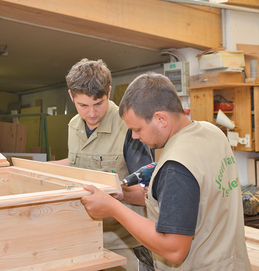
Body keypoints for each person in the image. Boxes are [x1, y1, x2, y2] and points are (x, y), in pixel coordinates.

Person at [81, 72, 252, 271]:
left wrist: (113, 209)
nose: (134, 137)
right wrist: (124, 195)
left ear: (161, 118)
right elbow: (192, 201)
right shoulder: (211, 132)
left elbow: (174, 249)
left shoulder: (176, 167)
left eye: (137, 129)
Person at [53, 59, 154, 271]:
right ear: (71, 96)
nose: (91, 113)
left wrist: (117, 193)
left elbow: (150, 193)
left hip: (124, 242)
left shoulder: (128, 126)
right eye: (83, 105)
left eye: (98, 103)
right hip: (84, 238)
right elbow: (78, 162)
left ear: (108, 92)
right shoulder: (73, 125)